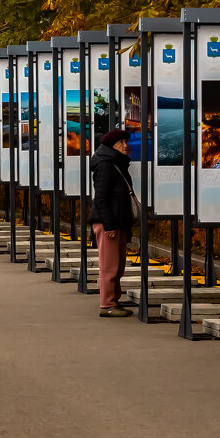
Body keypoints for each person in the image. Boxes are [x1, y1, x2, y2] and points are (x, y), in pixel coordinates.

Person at [88, 129, 136, 317]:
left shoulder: (117, 163)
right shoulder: (106, 164)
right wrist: (109, 225)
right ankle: (107, 305)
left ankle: (113, 301)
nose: (126, 145)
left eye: (126, 141)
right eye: (121, 142)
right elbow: (100, 198)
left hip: (118, 222)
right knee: (110, 266)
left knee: (118, 266)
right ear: (111, 145)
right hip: (109, 223)